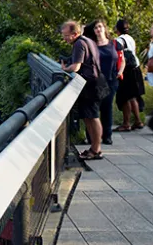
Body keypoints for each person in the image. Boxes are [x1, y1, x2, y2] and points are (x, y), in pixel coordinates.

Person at [60, 21, 104, 160]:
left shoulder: (79, 44)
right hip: (94, 83)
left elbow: (76, 67)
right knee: (89, 117)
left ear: (75, 33)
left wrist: (64, 69)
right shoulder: (88, 41)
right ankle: (94, 148)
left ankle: (96, 149)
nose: (64, 38)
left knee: (93, 117)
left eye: (67, 35)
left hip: (90, 85)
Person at [84, 20, 124, 145]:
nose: (98, 29)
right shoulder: (91, 44)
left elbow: (122, 59)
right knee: (94, 109)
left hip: (111, 80)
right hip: (95, 81)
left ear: (104, 28)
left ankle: (107, 135)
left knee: (107, 107)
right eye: (95, 27)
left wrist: (120, 71)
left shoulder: (115, 43)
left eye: (100, 26)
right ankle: (92, 136)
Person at [114, 19, 146, 132]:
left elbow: (118, 56)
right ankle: (138, 121)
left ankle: (126, 123)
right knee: (133, 96)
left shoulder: (118, 40)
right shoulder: (130, 38)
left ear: (117, 29)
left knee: (124, 97)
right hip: (135, 68)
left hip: (125, 70)